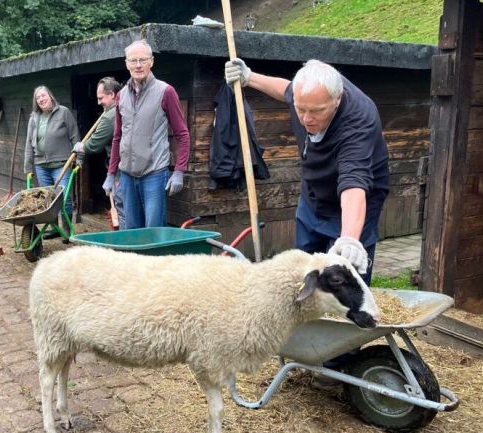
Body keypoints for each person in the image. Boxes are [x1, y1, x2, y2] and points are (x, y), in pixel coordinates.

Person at [224, 58, 389, 283]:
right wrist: (249, 77)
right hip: (313, 195)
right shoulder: (305, 93)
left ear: (337, 99)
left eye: (316, 111)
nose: (306, 118)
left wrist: (349, 238)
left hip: (352, 208)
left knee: (342, 280)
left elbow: (354, 182)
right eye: (300, 109)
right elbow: (285, 89)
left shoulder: (359, 121)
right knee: (304, 269)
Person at [106, 39, 190, 229]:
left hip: (154, 173)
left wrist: (179, 171)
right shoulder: (121, 96)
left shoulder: (165, 91)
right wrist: (111, 174)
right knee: (132, 229)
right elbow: (118, 137)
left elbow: (182, 134)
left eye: (142, 60)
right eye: (133, 61)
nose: (138, 65)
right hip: (126, 174)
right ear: (126, 64)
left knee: (154, 229)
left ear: (151, 61)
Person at [23, 85, 79, 239]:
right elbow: (29, 143)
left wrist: (78, 159)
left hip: (62, 164)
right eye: (38, 97)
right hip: (41, 165)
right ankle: (55, 228)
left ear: (50, 96)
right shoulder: (34, 118)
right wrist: (28, 167)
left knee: (64, 197)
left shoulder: (63, 112)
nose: (41, 99)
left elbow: (75, 137)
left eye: (43, 95)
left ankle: (66, 228)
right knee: (48, 198)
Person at [72, 76, 125, 228]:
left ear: (112, 95)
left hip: (120, 167)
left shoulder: (110, 116)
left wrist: (80, 147)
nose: (98, 102)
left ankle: (122, 236)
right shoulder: (119, 109)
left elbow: (94, 145)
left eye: (101, 98)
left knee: (121, 207)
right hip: (122, 164)